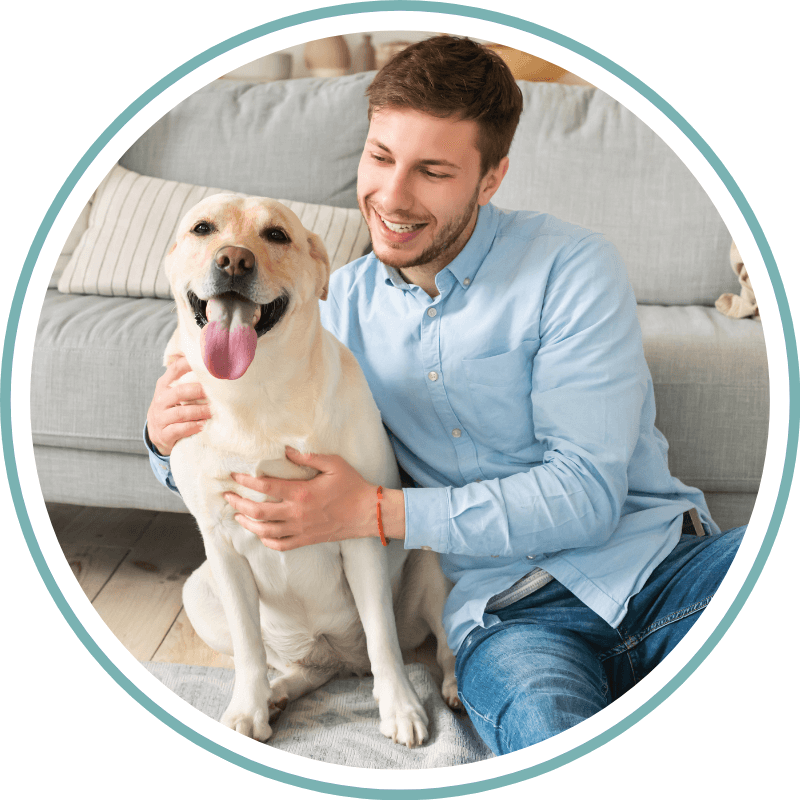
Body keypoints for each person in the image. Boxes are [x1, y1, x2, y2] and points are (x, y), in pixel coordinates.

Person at [145, 35, 746, 755]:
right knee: (550, 738)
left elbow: (586, 498)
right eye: (380, 158)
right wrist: (160, 437)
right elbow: (241, 438)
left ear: (490, 180)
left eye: (432, 171)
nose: (393, 198)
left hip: (664, 567)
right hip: (506, 623)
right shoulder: (323, 312)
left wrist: (375, 511)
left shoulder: (572, 268)